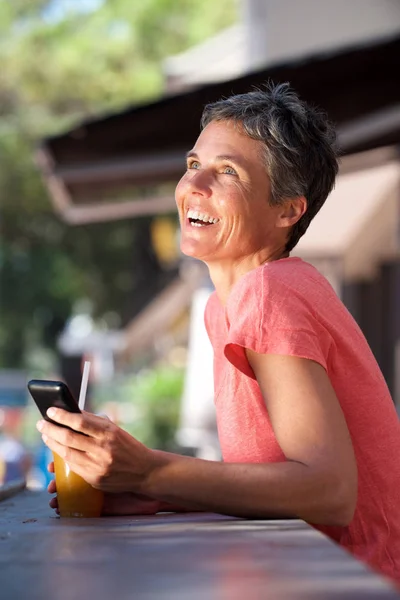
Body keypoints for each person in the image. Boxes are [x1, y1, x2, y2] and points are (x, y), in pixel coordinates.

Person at [37, 83, 400, 584]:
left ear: (287, 211)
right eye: (192, 164)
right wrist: (151, 492)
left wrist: (149, 470)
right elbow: (279, 485)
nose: (194, 185)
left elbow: (329, 492)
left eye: (227, 171)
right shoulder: (225, 307)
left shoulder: (271, 291)